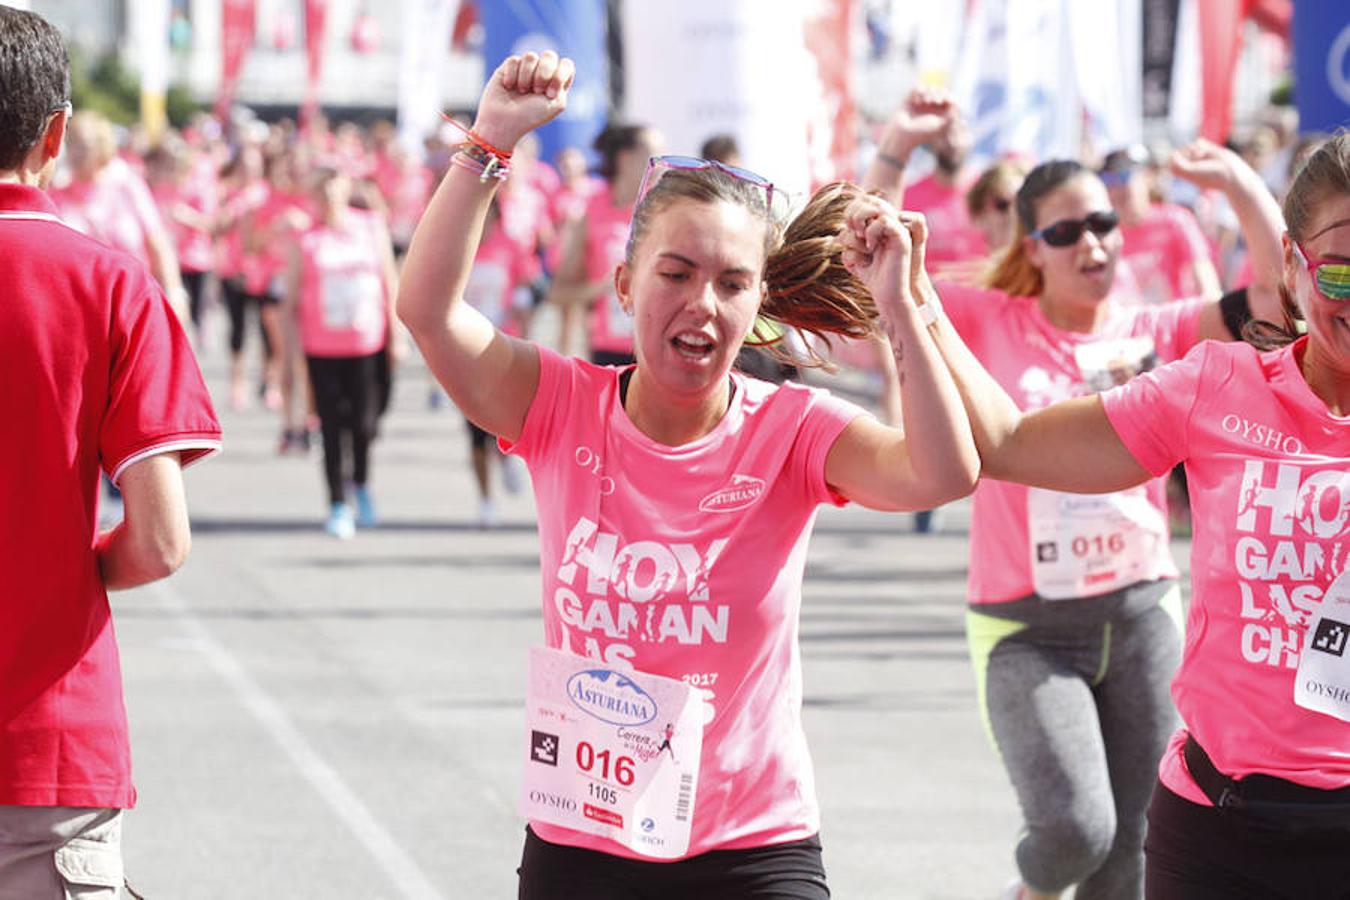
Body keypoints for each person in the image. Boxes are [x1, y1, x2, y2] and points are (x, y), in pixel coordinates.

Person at [398, 50, 978, 898]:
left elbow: (941, 472)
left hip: (752, 846)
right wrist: (489, 143)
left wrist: (902, 305)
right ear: (627, 287)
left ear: (757, 308)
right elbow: (426, 311)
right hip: (586, 842)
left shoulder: (792, 430)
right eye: (676, 274)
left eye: (732, 284)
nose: (703, 303)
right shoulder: (558, 403)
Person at [866, 90, 1286, 898]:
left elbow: (1274, 304)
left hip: (1141, 614)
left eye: (1102, 224)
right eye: (1066, 231)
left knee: (1132, 847)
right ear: (1034, 246)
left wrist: (1239, 183)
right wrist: (897, 144)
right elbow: (867, 263)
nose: (1091, 242)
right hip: (1027, 628)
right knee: (1073, 834)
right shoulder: (984, 318)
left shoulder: (1157, 330)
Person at [0, 8, 221, 898]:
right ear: (56, 134)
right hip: (48, 741)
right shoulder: (107, 282)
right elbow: (161, 541)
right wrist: (60, 566)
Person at [283, 165, 399, 539]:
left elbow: (389, 281)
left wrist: (397, 336)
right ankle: (337, 502)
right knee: (332, 427)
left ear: (347, 189)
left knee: (365, 425)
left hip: (368, 344)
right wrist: (289, 356)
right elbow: (291, 300)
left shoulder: (370, 226)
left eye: (337, 186)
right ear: (315, 195)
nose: (331, 195)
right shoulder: (306, 240)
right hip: (323, 348)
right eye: (324, 188)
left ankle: (361, 483)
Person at [549, 121, 664, 362]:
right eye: (653, 155)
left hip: (657, 347)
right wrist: (604, 287)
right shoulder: (592, 209)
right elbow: (559, 292)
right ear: (625, 158)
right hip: (609, 349)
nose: (661, 165)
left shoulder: (665, 209)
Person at [1100, 145, 1222, 306]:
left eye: (1124, 176)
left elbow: (1207, 284)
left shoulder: (1175, 220)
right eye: (1108, 180)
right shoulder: (1104, 236)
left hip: (1178, 325)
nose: (1116, 188)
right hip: (1131, 328)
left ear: (1147, 177)